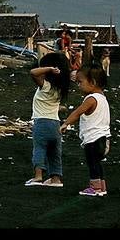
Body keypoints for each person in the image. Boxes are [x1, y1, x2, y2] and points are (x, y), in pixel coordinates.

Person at [60, 64, 111, 197]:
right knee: (97, 163)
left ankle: (94, 188)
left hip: (93, 139)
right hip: (104, 138)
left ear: (92, 82)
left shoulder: (90, 99)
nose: (78, 85)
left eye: (80, 82)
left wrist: (65, 123)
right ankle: (102, 186)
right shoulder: (102, 98)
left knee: (92, 163)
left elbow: (77, 113)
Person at [26, 51, 70, 188]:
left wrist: (50, 68)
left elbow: (33, 72)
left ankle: (38, 176)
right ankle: (56, 179)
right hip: (55, 123)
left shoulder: (45, 85)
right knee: (54, 152)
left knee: (39, 148)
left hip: (42, 123)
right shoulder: (60, 88)